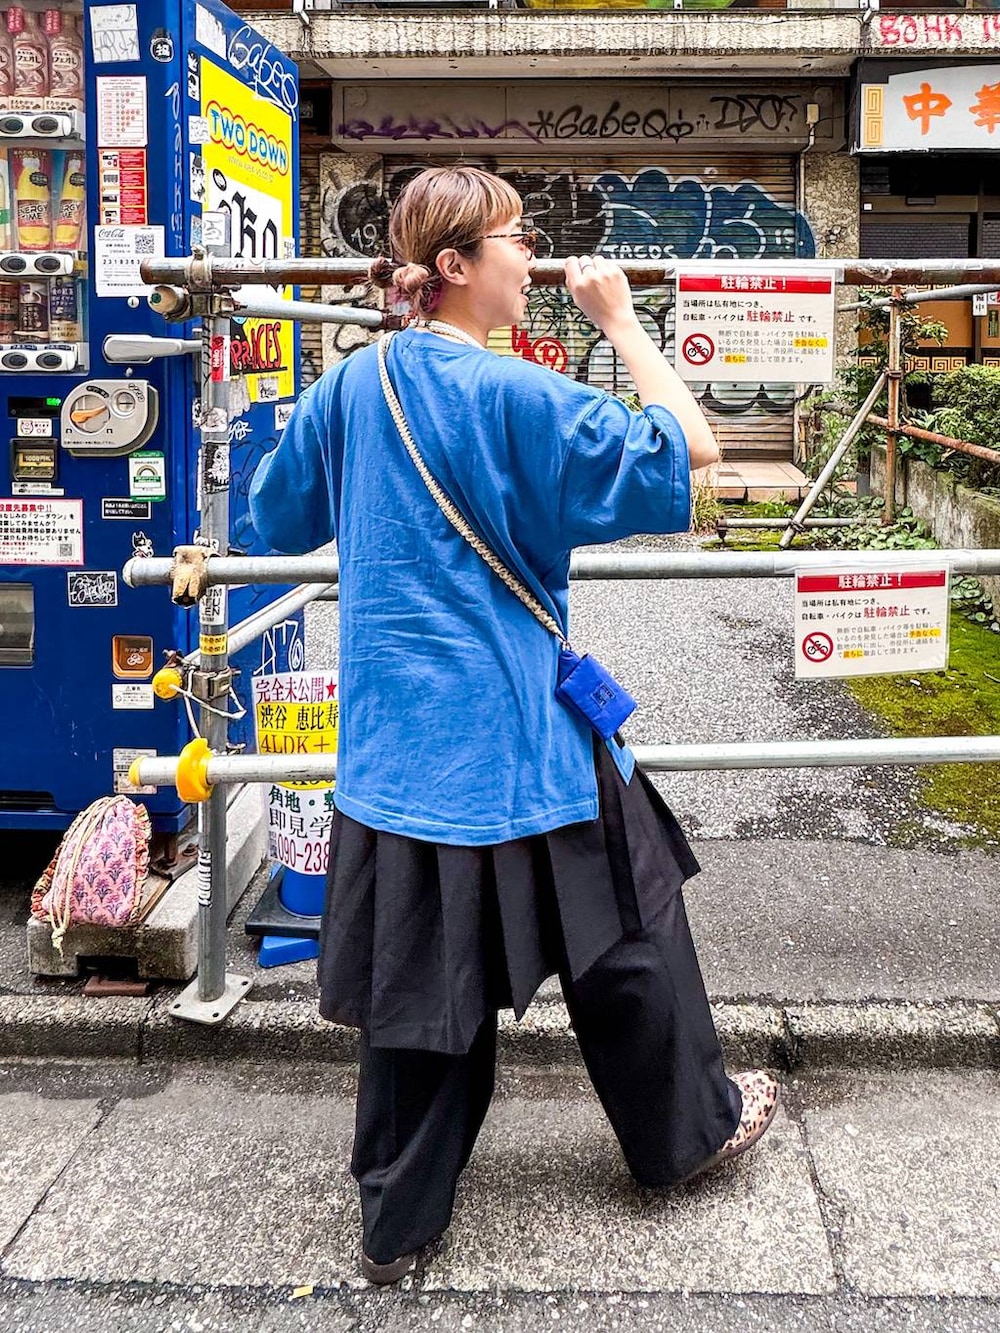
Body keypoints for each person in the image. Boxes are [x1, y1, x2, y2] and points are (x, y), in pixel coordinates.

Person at [248, 165, 780, 1285]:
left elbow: (276, 513)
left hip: (395, 748)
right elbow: (692, 454)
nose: (532, 258)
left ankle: (398, 1221)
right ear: (454, 268)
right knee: (630, 924)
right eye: (515, 240)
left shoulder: (352, 384)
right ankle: (688, 1132)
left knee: (419, 987)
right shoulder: (523, 395)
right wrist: (624, 323)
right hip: (522, 739)